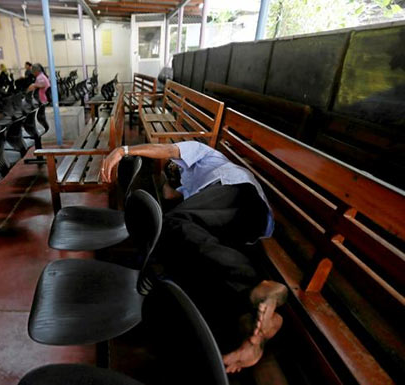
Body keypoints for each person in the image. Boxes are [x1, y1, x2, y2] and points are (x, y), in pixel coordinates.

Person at [101, 141, 288, 374]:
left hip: (239, 196)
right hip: (237, 226)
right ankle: (252, 333)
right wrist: (173, 182)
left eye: (174, 166)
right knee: (186, 259)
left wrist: (124, 151)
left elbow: (168, 151)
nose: (173, 169)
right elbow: (170, 193)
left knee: (174, 224)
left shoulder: (205, 156)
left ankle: (255, 285)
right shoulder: (192, 189)